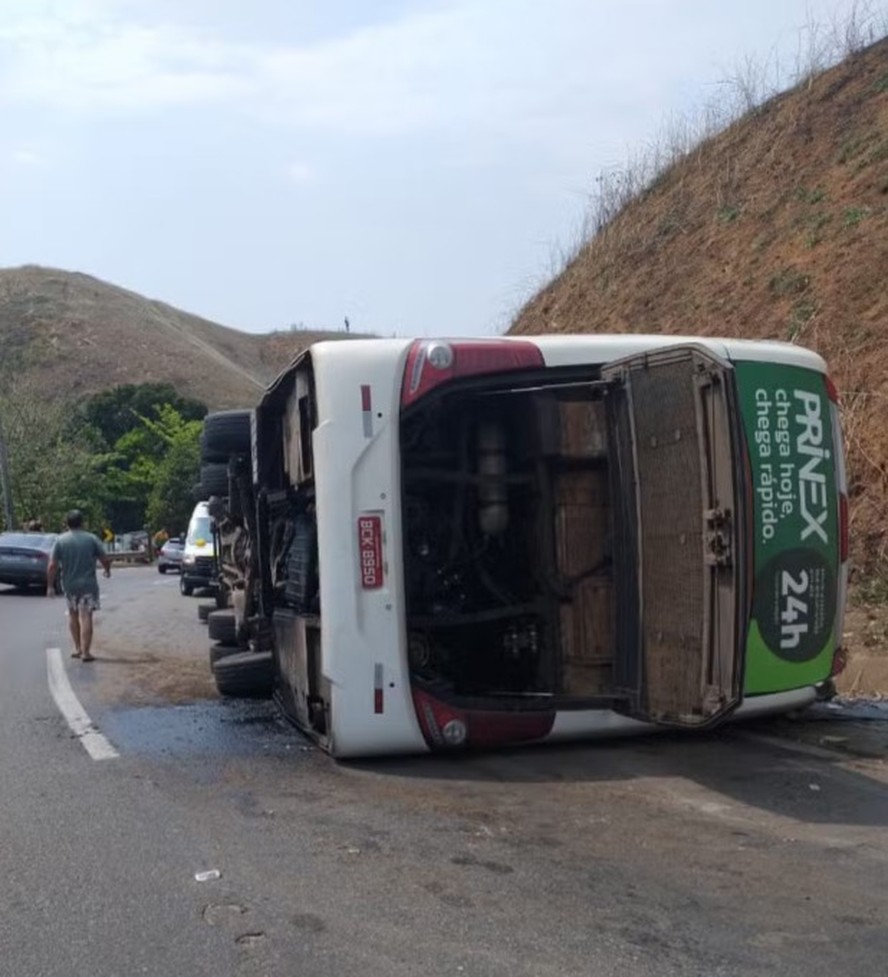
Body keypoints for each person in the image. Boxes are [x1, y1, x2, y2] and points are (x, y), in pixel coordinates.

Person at [46, 510, 112, 662]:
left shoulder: (60, 541)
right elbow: (104, 558)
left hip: (69, 585)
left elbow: (52, 565)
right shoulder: (91, 539)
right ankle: (86, 652)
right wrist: (107, 570)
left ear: (67, 523)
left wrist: (50, 585)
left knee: (73, 614)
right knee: (86, 615)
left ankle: (77, 648)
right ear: (82, 523)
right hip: (88, 585)